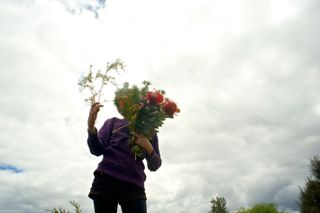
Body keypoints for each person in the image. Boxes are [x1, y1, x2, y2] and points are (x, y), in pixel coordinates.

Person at [87, 102, 162, 213]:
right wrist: (91, 127)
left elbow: (154, 165)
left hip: (134, 184)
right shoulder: (112, 123)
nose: (136, 107)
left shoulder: (149, 132)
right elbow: (96, 150)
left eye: (139, 104)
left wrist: (148, 147)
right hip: (106, 180)